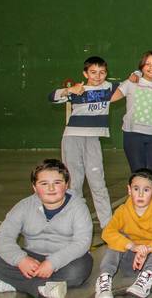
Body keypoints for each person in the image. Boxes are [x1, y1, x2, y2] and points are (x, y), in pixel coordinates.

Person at [0, 159, 93, 298]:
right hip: (31, 258)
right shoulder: (23, 206)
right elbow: (3, 237)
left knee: (79, 270)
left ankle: (14, 283)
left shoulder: (78, 208)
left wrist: (52, 263)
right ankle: (43, 288)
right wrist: (21, 260)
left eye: (57, 183)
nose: (51, 188)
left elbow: (82, 242)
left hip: (63, 260)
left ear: (66, 185)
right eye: (44, 184)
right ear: (35, 187)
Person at [48, 56, 119, 228]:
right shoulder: (78, 90)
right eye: (93, 72)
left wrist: (136, 74)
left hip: (93, 140)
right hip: (72, 138)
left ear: (106, 73)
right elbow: (51, 97)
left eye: (102, 72)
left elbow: (132, 83)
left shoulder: (109, 87)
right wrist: (69, 90)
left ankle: (107, 226)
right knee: (74, 183)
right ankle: (76, 224)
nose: (97, 76)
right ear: (85, 73)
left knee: (98, 182)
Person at [95, 168, 152, 298]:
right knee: (117, 237)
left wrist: (148, 249)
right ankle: (105, 279)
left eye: (146, 190)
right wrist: (132, 246)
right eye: (136, 189)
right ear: (129, 190)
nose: (140, 194)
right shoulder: (122, 211)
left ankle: (145, 279)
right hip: (131, 262)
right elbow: (107, 232)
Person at [112, 51, 152, 203]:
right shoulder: (131, 82)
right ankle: (139, 209)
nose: (151, 67)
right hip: (132, 136)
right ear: (141, 67)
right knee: (138, 176)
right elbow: (111, 97)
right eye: (147, 64)